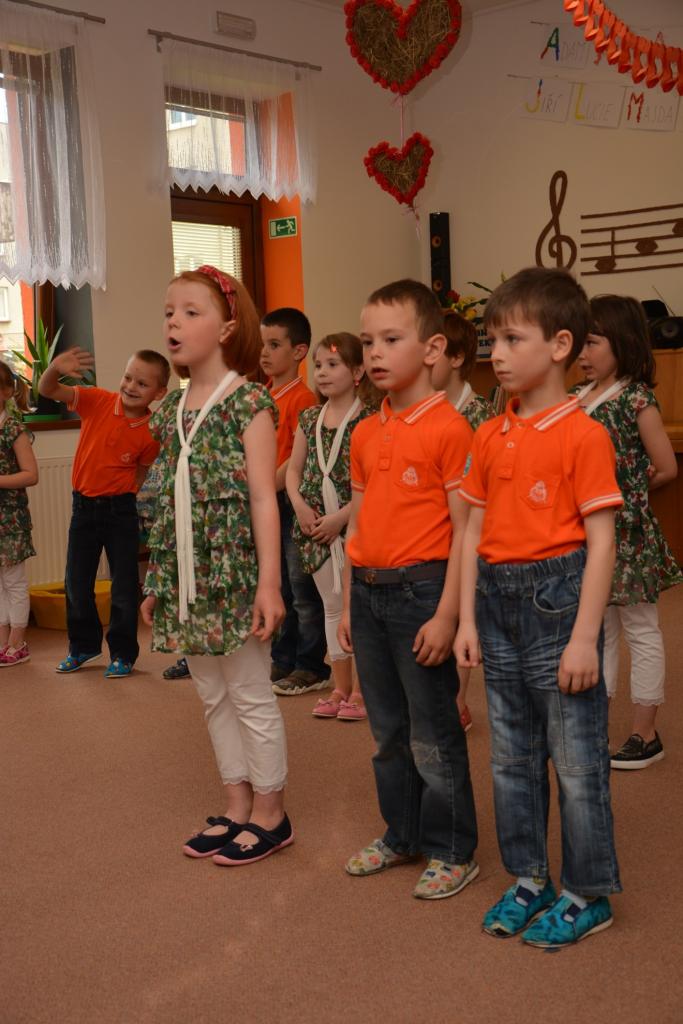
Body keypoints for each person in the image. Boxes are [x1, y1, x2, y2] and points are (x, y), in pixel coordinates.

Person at [455, 267, 623, 949]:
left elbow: (602, 541)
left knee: (576, 760)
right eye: (491, 339)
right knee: (511, 757)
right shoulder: (489, 433)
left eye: (511, 339)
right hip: (495, 601)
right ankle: (529, 878)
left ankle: (588, 892)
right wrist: (467, 619)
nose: (495, 353)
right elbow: (471, 527)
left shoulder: (583, 434)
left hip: (558, 604)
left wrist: (584, 639)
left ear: (559, 345)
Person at [141, 265, 292, 866]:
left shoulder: (247, 402)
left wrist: (269, 584)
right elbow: (168, 502)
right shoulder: (170, 409)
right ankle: (236, 804)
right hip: (188, 578)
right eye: (169, 312)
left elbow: (262, 499)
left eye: (191, 312)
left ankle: (272, 813)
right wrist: (159, 580)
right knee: (211, 694)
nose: (174, 322)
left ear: (228, 328)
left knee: (249, 692)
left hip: (236, 575)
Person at [339, 279, 478, 901]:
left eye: (391, 339)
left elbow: (464, 530)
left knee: (433, 730)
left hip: (422, 593)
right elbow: (359, 522)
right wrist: (349, 602)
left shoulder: (451, 428)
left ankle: (453, 849)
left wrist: (449, 615)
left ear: (432, 349)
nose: (375, 352)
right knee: (388, 731)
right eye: (368, 341)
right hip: (368, 594)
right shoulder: (365, 431)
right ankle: (403, 834)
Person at [574, 294, 681, 769]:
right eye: (579, 343)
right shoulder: (575, 397)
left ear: (622, 343)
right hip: (585, 533)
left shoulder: (636, 399)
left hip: (627, 535)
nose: (582, 353)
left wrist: (626, 492)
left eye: (592, 342)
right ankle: (594, 723)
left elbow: (665, 467)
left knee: (640, 627)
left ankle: (645, 733)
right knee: (599, 628)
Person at [40, 348, 169, 677]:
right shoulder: (96, 400)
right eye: (128, 378)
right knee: (76, 582)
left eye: (142, 383)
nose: (131, 386)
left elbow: (142, 469)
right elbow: (47, 389)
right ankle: (83, 646)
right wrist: (54, 368)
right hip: (83, 509)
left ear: (159, 393)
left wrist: (126, 494)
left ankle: (123, 654)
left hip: (121, 512)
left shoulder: (151, 431)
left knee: (123, 587)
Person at [286, 333, 374, 721]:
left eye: (332, 365)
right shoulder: (309, 418)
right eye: (318, 365)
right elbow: (293, 470)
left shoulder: (369, 419)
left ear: (357, 372)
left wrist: (343, 517)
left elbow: (375, 482)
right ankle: (340, 687)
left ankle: (363, 691)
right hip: (316, 528)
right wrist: (299, 506)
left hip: (355, 523)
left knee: (359, 608)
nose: (322, 372)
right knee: (331, 606)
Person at [431, 311, 496, 732]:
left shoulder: (480, 416)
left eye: (432, 353)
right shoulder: (424, 410)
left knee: (461, 613)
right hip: (430, 531)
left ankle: (457, 700)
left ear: (455, 358)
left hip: (469, 529)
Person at [260, 307, 330, 696]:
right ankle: (283, 658)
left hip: (290, 502)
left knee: (302, 590)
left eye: (274, 345)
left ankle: (311, 665)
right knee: (279, 585)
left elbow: (296, 460)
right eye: (263, 345)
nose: (264, 353)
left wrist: (267, 485)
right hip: (267, 502)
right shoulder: (263, 395)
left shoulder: (303, 399)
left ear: (299, 351)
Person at [0, 361, 38, 667]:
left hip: (10, 520)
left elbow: (30, 474)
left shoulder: (13, 429)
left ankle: (17, 643)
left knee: (14, 582)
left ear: (6, 392)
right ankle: (3, 642)